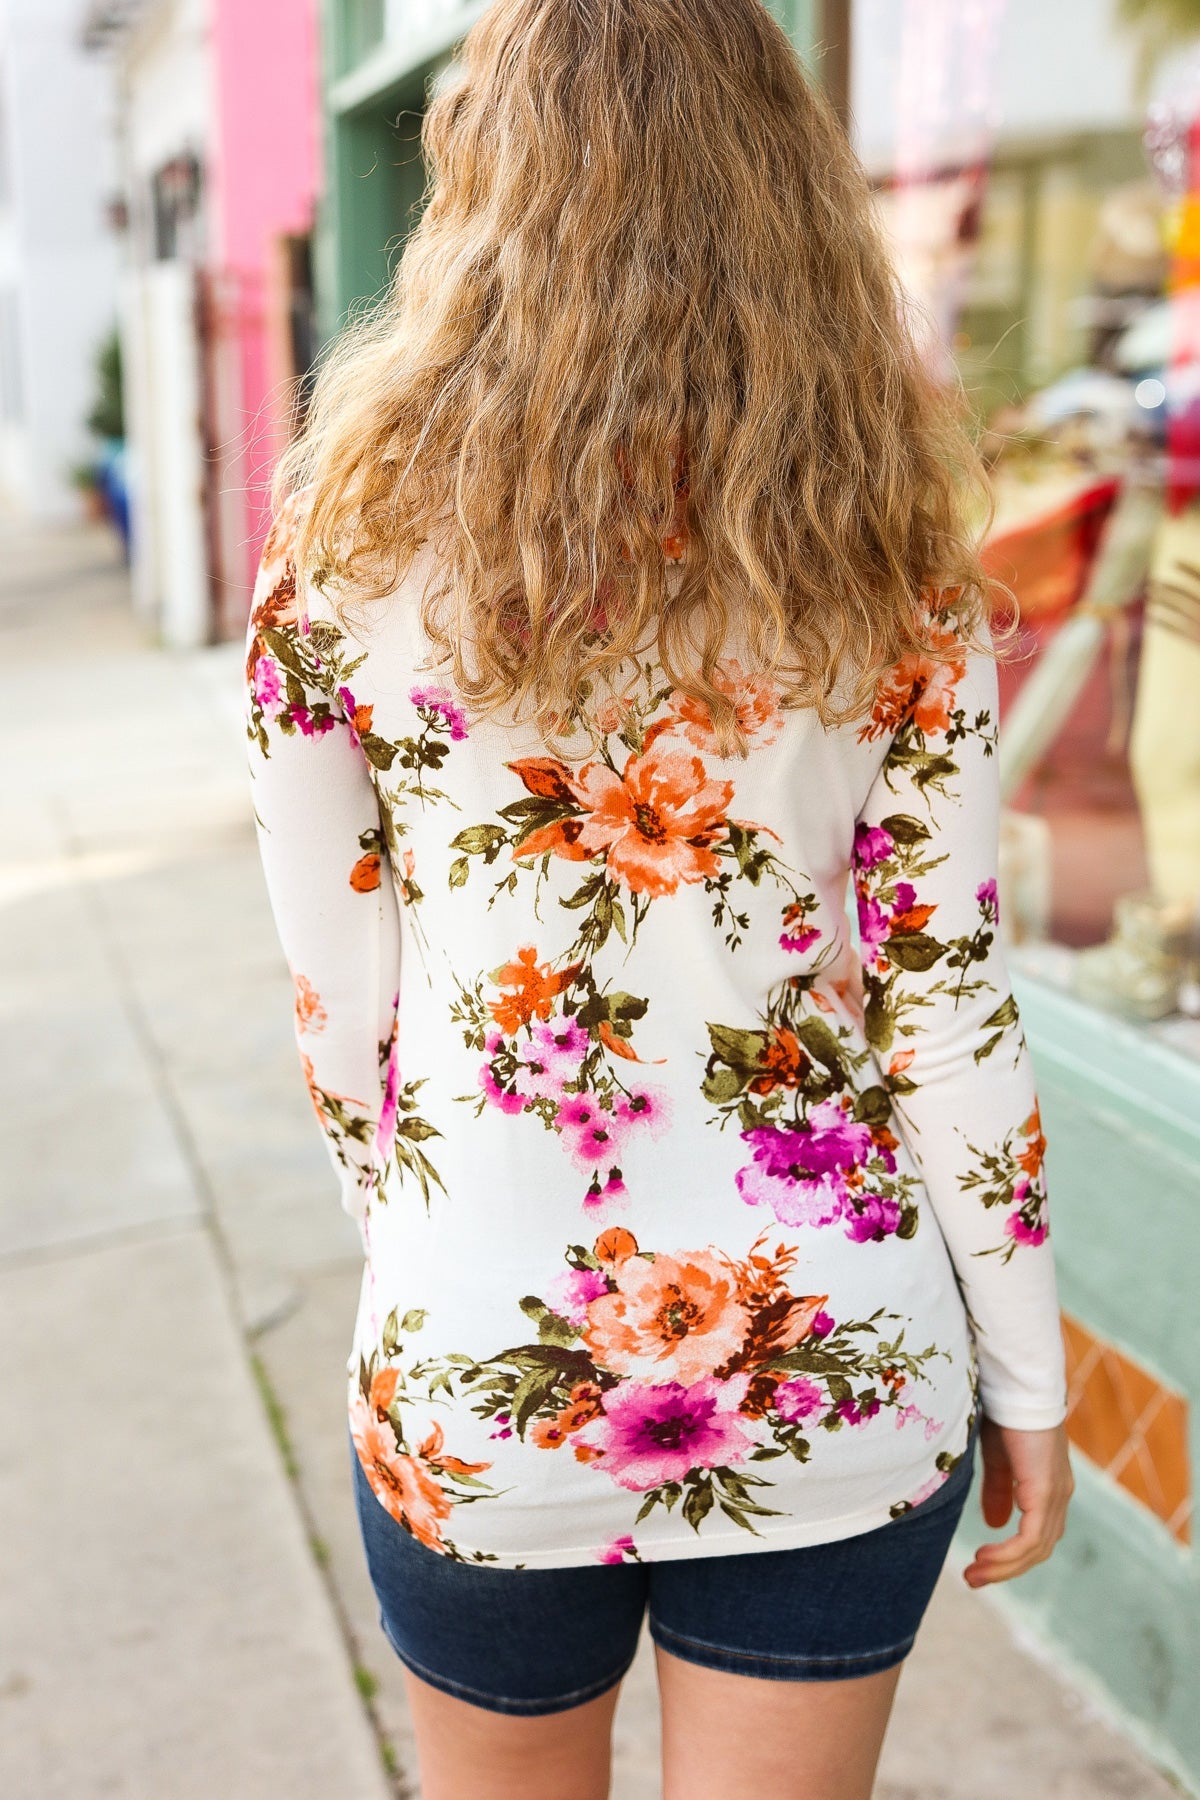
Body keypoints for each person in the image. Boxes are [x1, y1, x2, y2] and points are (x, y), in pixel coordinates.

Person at [243, 3, 1073, 1795]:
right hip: (834, 1357)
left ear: (484, 176)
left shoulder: (346, 536)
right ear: (788, 183)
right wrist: (1028, 1383)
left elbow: (341, 1004)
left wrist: (431, 1258)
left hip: (481, 1362)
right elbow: (948, 1000)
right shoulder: (892, 550)